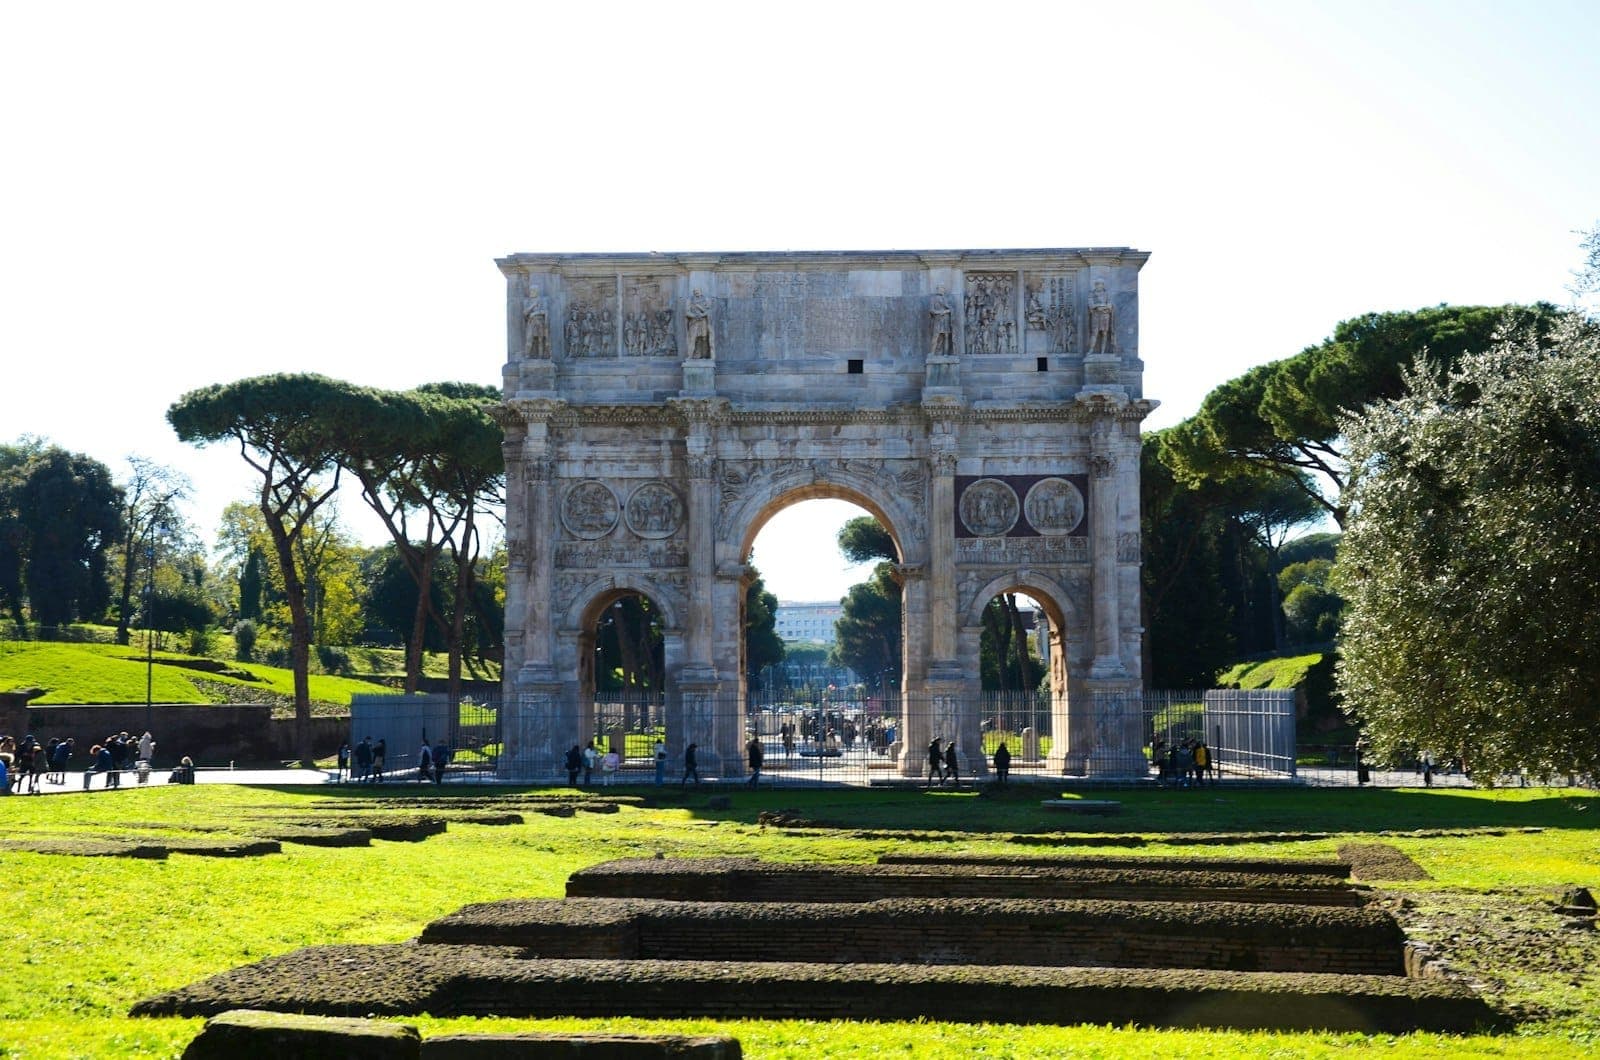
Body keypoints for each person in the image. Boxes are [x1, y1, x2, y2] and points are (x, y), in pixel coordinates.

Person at [684, 288, 714, 359]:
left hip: (703, 321)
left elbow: (709, 311)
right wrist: (694, 316)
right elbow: (687, 312)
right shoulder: (690, 300)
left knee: (704, 338)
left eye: (698, 291)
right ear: (693, 292)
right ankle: (690, 355)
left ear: (701, 291)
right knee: (692, 338)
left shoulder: (706, 300)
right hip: (694, 322)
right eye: (695, 291)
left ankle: (704, 355)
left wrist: (702, 315)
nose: (697, 292)